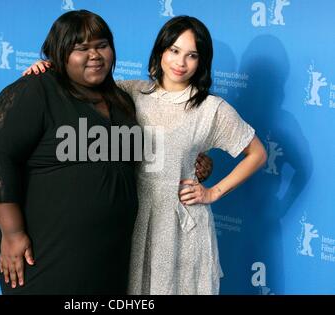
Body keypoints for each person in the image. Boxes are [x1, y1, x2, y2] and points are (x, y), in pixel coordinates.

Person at [0, 10, 211, 295]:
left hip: (110, 259)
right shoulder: (38, 89)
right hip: (47, 257)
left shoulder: (122, 99)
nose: (95, 55)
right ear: (59, 53)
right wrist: (12, 234)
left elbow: (140, 157)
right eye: (80, 48)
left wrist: (193, 162)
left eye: (101, 45)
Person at [25, 15, 267, 295]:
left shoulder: (212, 109)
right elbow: (80, 82)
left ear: (201, 62)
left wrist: (213, 192)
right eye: (174, 51)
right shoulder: (130, 92)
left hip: (181, 227)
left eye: (192, 55)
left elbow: (258, 154)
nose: (180, 63)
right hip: (133, 218)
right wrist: (50, 69)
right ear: (160, 51)